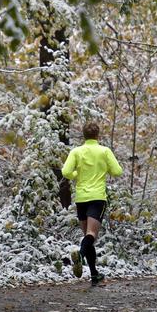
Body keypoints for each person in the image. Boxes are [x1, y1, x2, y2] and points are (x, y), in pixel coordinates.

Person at [61, 121, 123, 286]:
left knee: (87, 236)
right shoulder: (104, 151)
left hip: (81, 198)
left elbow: (66, 172)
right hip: (97, 198)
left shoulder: (76, 151)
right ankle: (80, 256)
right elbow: (117, 171)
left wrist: (77, 174)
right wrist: (104, 170)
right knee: (91, 235)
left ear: (83, 135)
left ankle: (94, 273)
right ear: (98, 135)